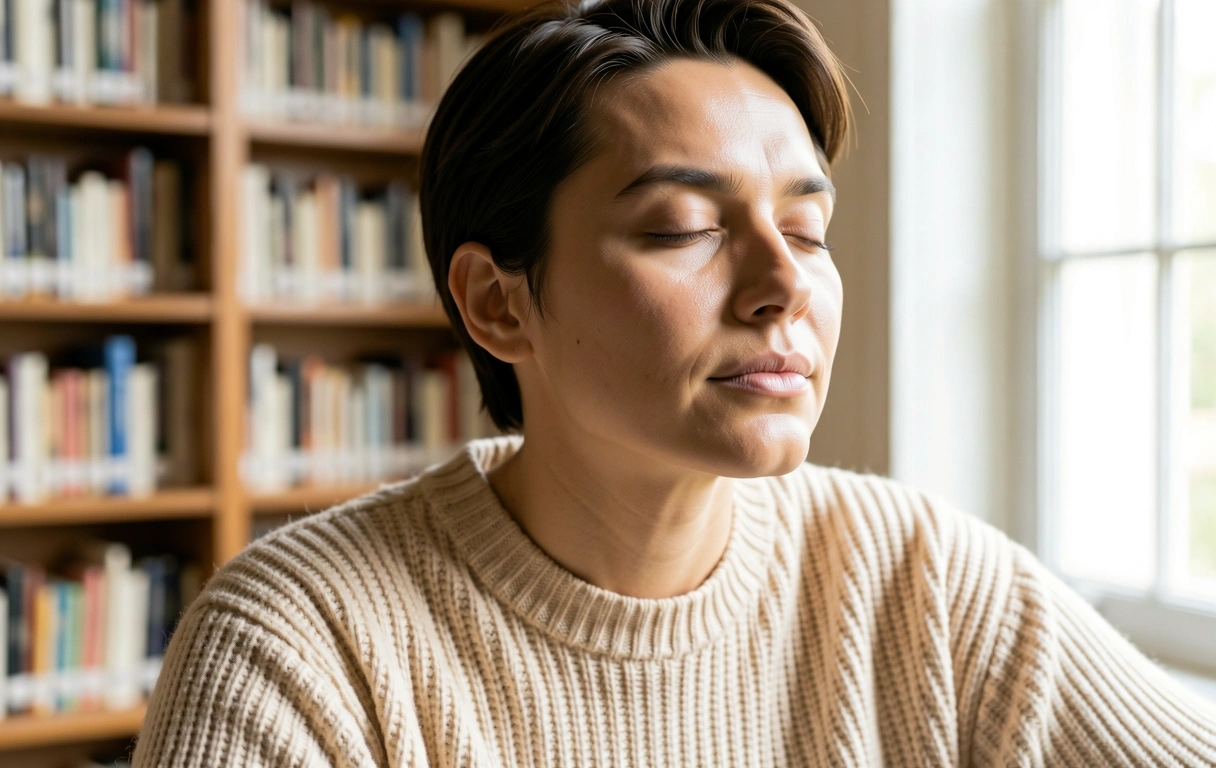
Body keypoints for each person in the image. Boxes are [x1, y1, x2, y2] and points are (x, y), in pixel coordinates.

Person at [132, 0, 1216, 764]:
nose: (783, 285)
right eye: (685, 226)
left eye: (806, 229)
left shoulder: (922, 582)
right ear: (498, 303)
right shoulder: (298, 646)